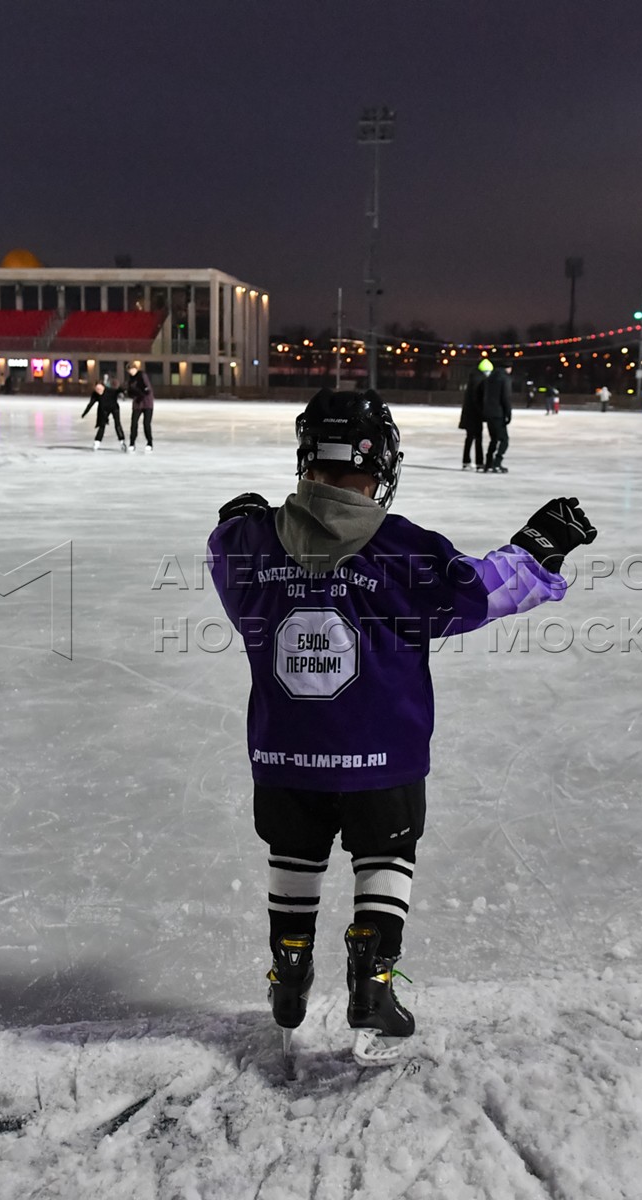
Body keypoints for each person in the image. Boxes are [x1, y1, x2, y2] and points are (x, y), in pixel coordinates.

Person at [208, 389, 597, 1064]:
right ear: (376, 460)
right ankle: (373, 981)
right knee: (385, 856)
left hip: (284, 755)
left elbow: (226, 563)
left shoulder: (252, 543)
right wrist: (539, 547)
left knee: (293, 856)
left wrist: (234, 524)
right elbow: (480, 593)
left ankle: (289, 973)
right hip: (380, 755)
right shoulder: (399, 547)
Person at [81, 376, 129, 451]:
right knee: (101, 426)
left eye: (100, 389)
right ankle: (97, 442)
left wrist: (124, 391)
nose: (99, 391)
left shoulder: (110, 391)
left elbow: (119, 390)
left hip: (114, 408)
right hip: (103, 410)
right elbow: (90, 404)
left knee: (117, 425)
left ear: (103, 387)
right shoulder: (95, 394)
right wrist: (84, 413)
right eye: (97, 389)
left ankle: (122, 442)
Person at [482, 361, 513, 473]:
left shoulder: (490, 378)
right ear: (508, 368)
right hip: (499, 413)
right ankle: (497, 463)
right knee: (504, 440)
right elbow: (506, 397)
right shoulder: (505, 379)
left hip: (489, 412)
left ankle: (488, 463)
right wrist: (508, 414)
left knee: (493, 439)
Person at [459, 367, 485, 470]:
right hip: (476, 416)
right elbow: (478, 401)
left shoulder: (471, 382)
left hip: (468, 416)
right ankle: (479, 463)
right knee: (478, 439)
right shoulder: (479, 382)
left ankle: (466, 461)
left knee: (469, 438)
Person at [125, 363, 155, 452]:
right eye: (129, 370)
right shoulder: (130, 380)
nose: (131, 371)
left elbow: (147, 390)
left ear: (136, 369)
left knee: (146, 424)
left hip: (147, 403)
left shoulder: (142, 375)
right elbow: (131, 391)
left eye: (133, 369)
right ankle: (132, 443)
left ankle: (149, 443)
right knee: (134, 423)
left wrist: (139, 394)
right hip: (137, 404)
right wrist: (129, 393)